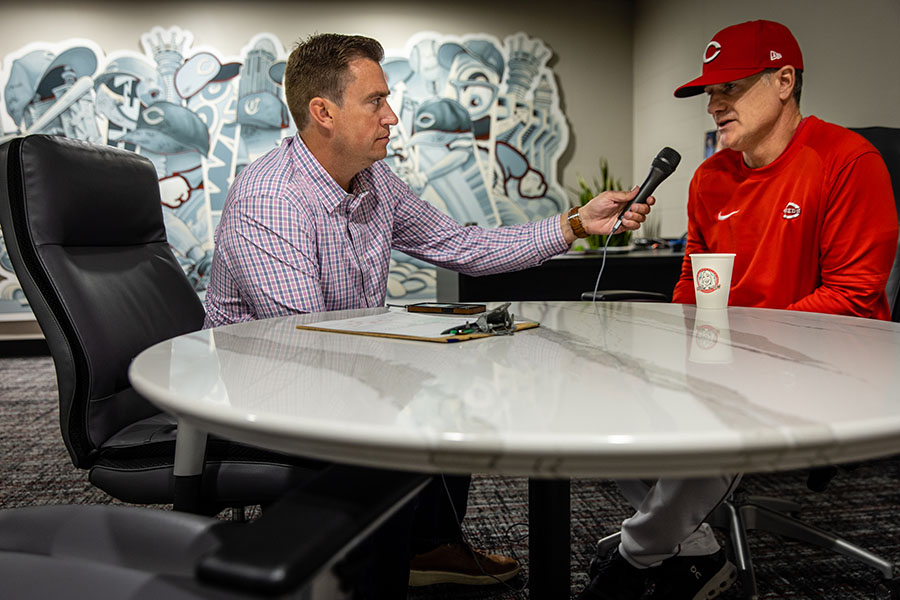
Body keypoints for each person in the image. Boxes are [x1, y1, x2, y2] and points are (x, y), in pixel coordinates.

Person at [203, 33, 652, 596]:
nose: (392, 116)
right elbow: (306, 342)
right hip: (266, 397)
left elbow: (464, 246)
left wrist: (576, 223)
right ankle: (382, 569)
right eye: (375, 101)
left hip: (329, 372)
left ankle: (425, 547)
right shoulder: (271, 198)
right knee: (407, 417)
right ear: (323, 113)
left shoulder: (374, 183)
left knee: (450, 389)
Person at [578, 19, 897, 600]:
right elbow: (690, 284)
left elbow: (852, 295)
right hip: (728, 355)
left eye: (730, 88)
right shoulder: (709, 177)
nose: (715, 105)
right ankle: (695, 546)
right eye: (710, 93)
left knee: (716, 413)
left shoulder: (848, 160)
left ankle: (635, 559)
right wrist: (669, 346)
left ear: (784, 80)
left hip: (825, 359)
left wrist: (737, 349)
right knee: (598, 395)